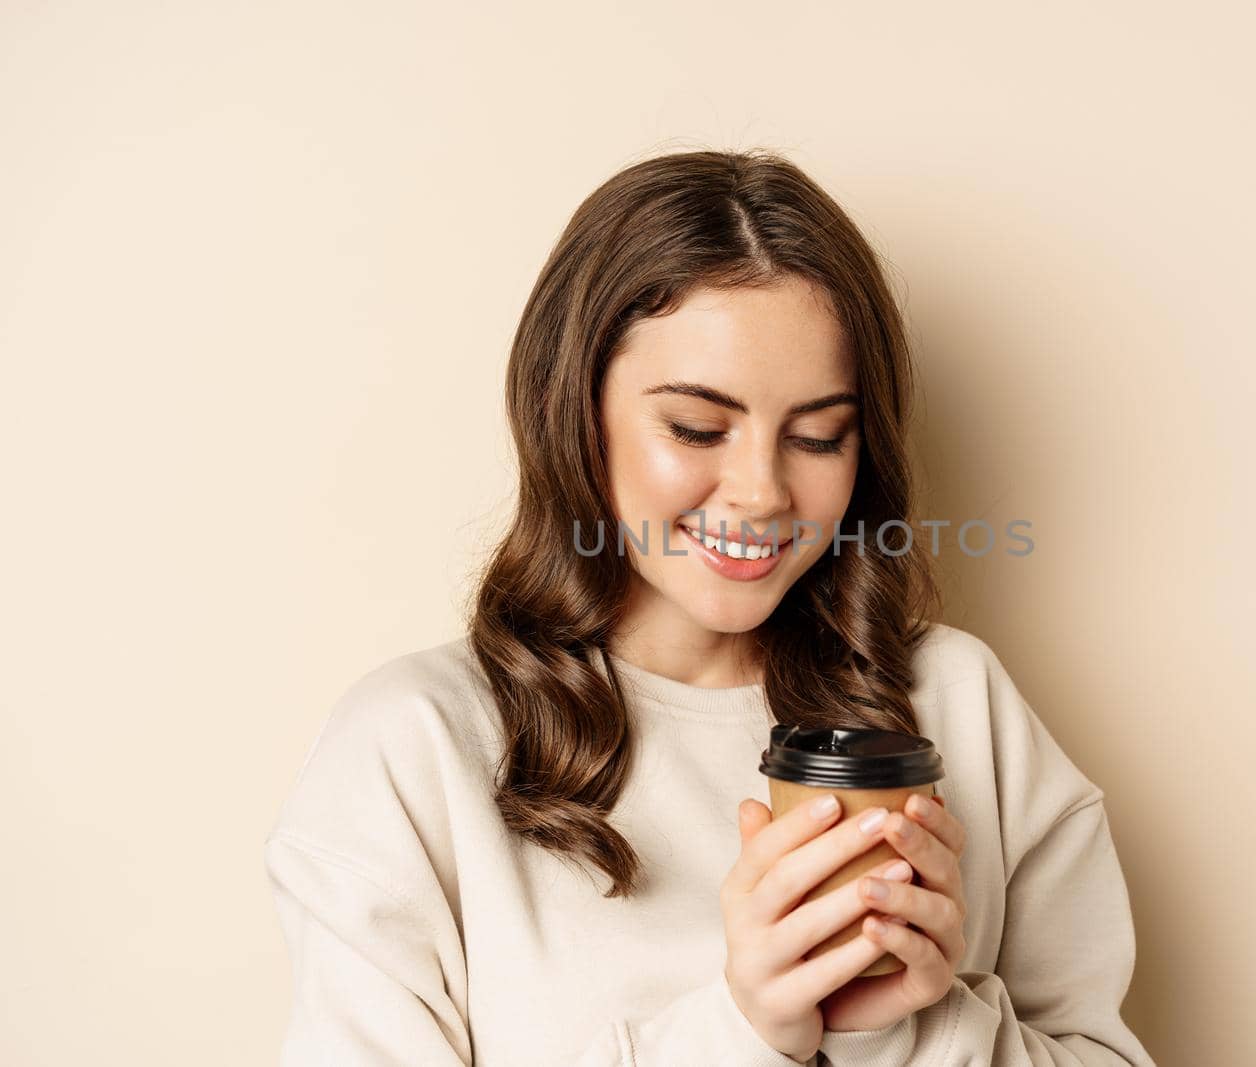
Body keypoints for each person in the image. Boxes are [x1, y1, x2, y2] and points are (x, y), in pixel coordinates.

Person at [263, 149, 1156, 1066]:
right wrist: (742, 1032)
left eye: (818, 436)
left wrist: (901, 1028)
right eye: (696, 426)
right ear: (569, 409)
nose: (762, 491)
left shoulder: (961, 703)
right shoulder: (414, 749)